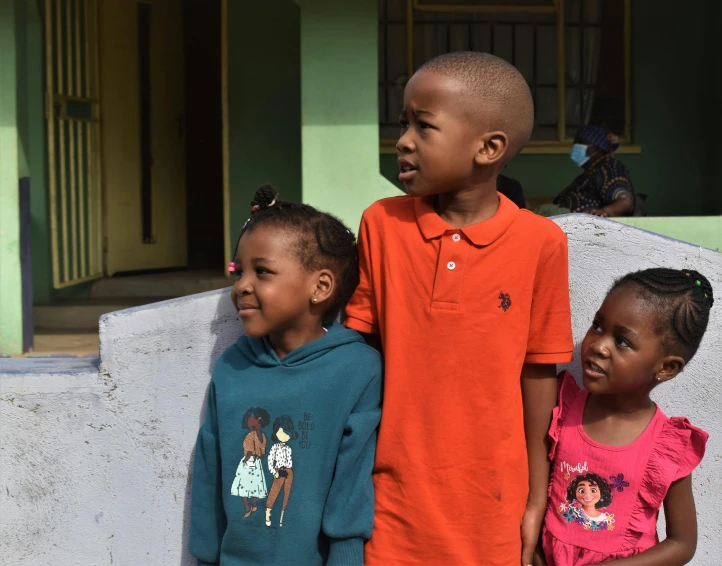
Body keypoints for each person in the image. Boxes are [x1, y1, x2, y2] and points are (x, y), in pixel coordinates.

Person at [345, 52, 574, 565]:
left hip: (493, 503)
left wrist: (538, 498)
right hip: (391, 500)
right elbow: (359, 355)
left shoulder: (541, 243)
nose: (403, 140)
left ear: (489, 148)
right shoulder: (381, 225)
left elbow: (539, 375)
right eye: (404, 123)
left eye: (423, 127)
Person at [189, 185, 382, 566]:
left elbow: (351, 482)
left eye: (262, 271)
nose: (242, 286)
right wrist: (205, 558)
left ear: (320, 287)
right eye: (239, 271)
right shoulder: (231, 368)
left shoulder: (356, 369)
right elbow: (209, 471)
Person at [539, 268, 712, 566]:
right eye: (597, 326)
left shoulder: (667, 447)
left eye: (622, 341)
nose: (598, 345)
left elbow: (682, 543)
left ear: (667, 368)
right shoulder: (562, 410)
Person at [551, 124, 635, 217]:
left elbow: (626, 202)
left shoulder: (609, 168)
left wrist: (602, 213)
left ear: (597, 148)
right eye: (575, 143)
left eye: (581, 143)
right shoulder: (592, 172)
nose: (576, 146)